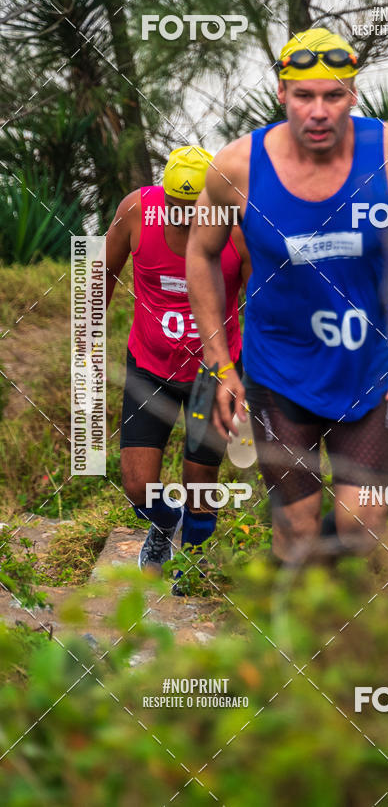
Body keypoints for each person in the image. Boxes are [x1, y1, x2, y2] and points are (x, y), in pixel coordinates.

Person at [186, 28, 388, 566]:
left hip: (366, 367)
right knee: (299, 524)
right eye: (304, 95)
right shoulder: (237, 168)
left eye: (334, 95)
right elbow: (201, 252)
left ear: (353, 94)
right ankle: (293, 642)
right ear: (282, 93)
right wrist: (218, 364)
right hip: (277, 373)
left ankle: (343, 629)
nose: (319, 111)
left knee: (363, 523)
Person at [105, 146, 251, 579]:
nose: (183, 217)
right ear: (161, 193)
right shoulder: (136, 210)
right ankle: (167, 522)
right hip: (150, 366)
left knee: (201, 480)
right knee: (136, 485)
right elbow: (102, 273)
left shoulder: (236, 230)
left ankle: (193, 561)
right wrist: (86, 345)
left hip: (213, 372)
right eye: (174, 205)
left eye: (193, 208)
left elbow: (263, 303)